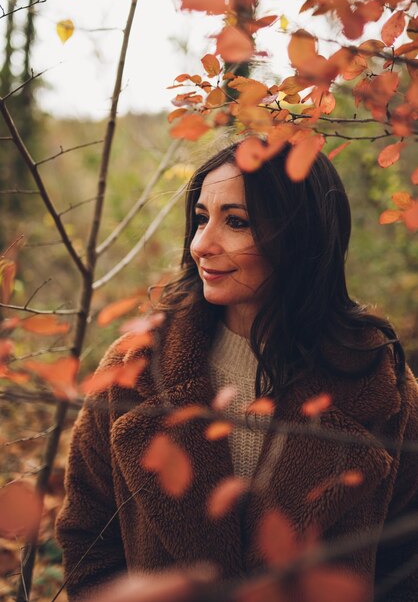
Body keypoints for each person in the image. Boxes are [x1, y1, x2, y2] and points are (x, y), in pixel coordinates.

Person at [56, 142, 418, 602]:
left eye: (236, 221)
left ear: (299, 236)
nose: (201, 244)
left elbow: (406, 565)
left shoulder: (380, 387)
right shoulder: (138, 370)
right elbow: (86, 540)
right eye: (201, 218)